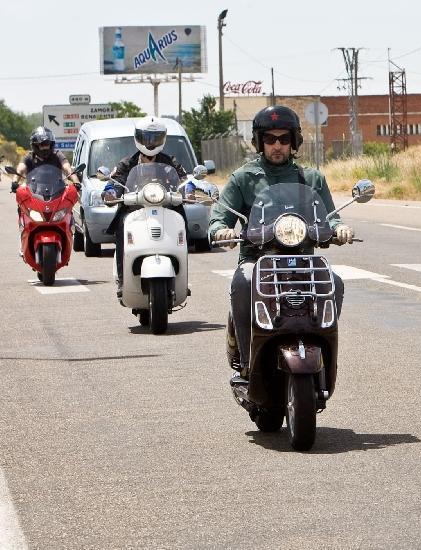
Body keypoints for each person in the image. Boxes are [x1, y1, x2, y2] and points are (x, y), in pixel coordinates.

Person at [209, 105, 355, 383]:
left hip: (303, 260)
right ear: (259, 142)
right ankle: (244, 355)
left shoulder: (311, 178)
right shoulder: (243, 178)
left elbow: (329, 218)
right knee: (242, 282)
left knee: (334, 282)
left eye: (284, 139)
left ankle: (322, 347)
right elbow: (220, 217)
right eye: (270, 139)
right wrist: (221, 230)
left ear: (294, 142)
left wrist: (340, 228)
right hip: (257, 259)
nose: (277, 145)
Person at [100, 116, 189, 290]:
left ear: (162, 139)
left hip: (166, 207)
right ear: (137, 138)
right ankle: (122, 279)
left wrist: (190, 190)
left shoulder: (170, 162)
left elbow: (184, 179)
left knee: (183, 227)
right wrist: (111, 192)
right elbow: (115, 180)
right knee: (121, 227)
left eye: (155, 138)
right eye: (146, 137)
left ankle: (181, 279)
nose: (150, 142)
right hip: (134, 209)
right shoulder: (127, 163)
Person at [14, 127, 79, 192]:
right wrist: (14, 182)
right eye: (42, 144)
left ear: (51, 144)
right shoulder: (29, 156)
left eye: (47, 144)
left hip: (57, 193)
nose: (45, 147)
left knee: (71, 196)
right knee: (21, 194)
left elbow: (68, 168)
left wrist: (77, 183)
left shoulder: (57, 155)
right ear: (35, 145)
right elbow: (20, 170)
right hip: (32, 194)